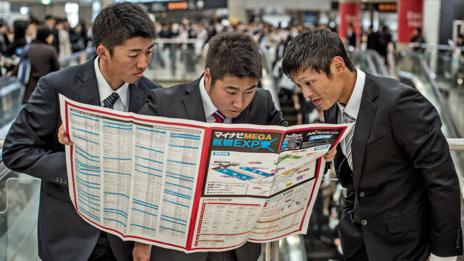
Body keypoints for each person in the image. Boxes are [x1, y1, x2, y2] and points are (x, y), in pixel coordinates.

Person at [281, 29, 462, 261]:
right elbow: (354, 177)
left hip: (406, 246)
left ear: (338, 66)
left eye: (309, 82)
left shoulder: (400, 103)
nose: (306, 93)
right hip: (358, 241)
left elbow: (442, 181)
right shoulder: (331, 106)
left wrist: (443, 254)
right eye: (299, 86)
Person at [2, 3, 161, 261]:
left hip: (126, 243)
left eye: (149, 52)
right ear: (103, 51)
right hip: (69, 238)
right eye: (134, 54)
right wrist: (78, 167)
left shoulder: (152, 96)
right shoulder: (57, 87)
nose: (144, 63)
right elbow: (15, 150)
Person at [134, 32, 287, 261]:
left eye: (249, 91)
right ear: (208, 76)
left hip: (236, 245)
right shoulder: (164, 106)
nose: (240, 103)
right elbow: (142, 172)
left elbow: (288, 146)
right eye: (231, 92)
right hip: (177, 245)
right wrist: (142, 238)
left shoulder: (261, 103)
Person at [22, 25, 60, 104]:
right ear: (46, 36)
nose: (52, 37)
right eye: (50, 35)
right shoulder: (50, 50)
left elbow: (21, 65)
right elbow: (56, 69)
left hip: (30, 88)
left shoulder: (28, 48)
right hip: (46, 87)